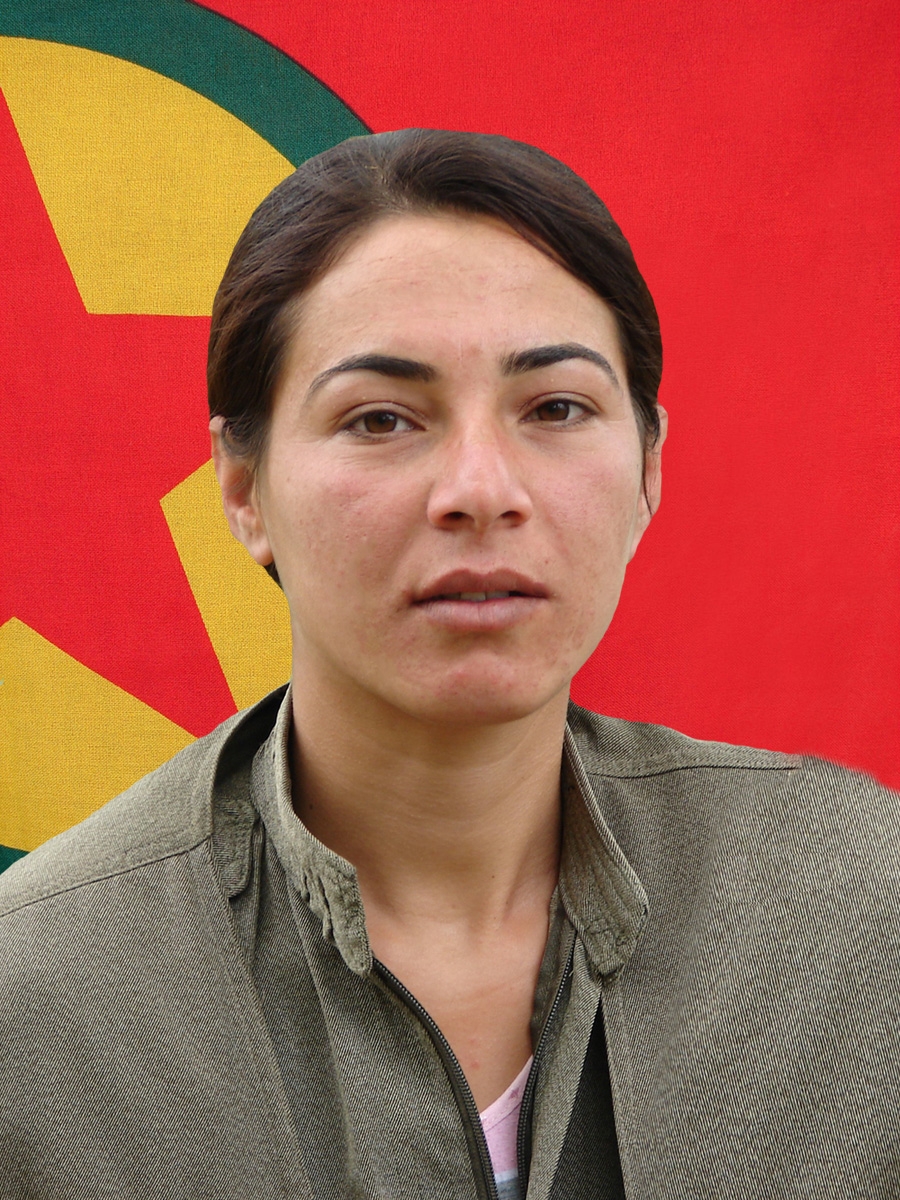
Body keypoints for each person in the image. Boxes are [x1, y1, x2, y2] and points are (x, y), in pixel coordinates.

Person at [1, 129, 897, 1200]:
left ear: (649, 466)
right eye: (381, 418)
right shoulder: (38, 1005)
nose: (480, 489)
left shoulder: (859, 909)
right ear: (243, 489)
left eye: (555, 408)